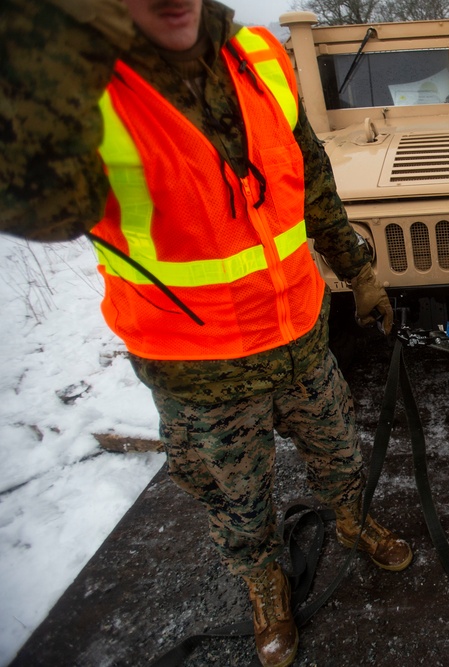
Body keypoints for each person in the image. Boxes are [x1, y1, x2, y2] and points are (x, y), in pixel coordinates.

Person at [0, 1, 412, 665]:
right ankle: (265, 588)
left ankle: (353, 520)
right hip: (202, 373)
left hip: (301, 339)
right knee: (239, 500)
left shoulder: (259, 57)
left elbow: (308, 175)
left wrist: (358, 269)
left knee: (341, 452)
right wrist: (45, 55)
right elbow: (45, 205)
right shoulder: (81, 85)